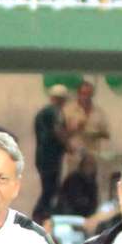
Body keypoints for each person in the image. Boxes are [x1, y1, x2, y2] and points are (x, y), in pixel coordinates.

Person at [32, 83, 68, 222]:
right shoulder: (55, 112)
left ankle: (41, 215)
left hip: (42, 155)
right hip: (51, 156)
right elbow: (58, 131)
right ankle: (40, 215)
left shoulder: (42, 112)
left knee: (48, 188)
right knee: (50, 189)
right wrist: (69, 146)